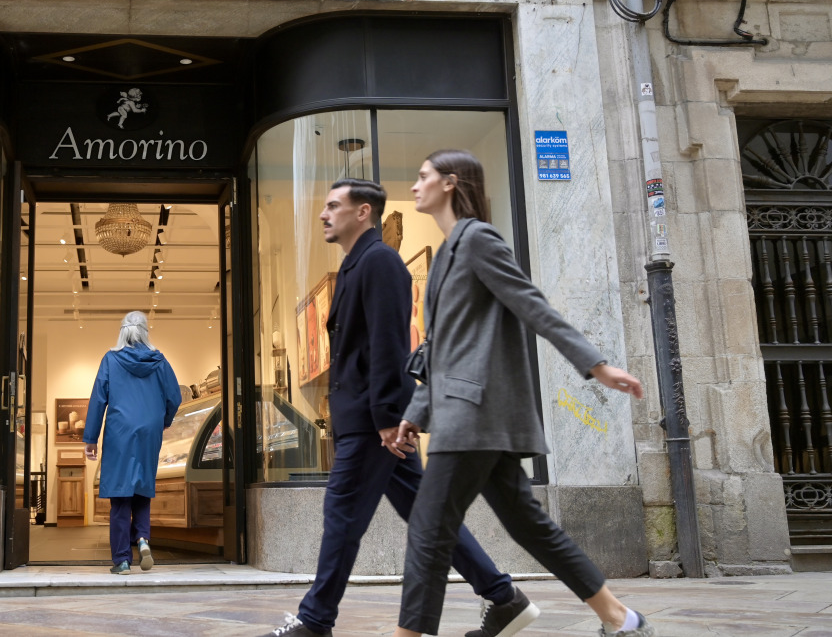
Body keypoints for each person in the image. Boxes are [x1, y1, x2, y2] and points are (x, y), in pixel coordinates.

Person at [392, 150, 653, 637]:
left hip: (473, 417)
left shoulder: (477, 240)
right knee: (530, 527)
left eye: (423, 176)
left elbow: (532, 305)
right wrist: (417, 410)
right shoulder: (449, 249)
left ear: (450, 183)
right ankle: (622, 619)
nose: (414, 185)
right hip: (471, 414)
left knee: (429, 531)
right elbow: (441, 347)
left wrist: (595, 365)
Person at [262, 178, 538, 637]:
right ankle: (503, 597)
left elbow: (389, 345)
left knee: (342, 516)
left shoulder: (381, 263)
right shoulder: (357, 264)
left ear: (363, 211)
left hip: (374, 422)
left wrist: (389, 418)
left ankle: (314, 620)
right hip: (373, 418)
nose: (324, 214)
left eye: (334, 205)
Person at [82, 311, 182, 576]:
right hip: (149, 432)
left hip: (120, 432)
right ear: (145, 331)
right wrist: (164, 420)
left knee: (120, 496)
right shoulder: (160, 361)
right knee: (142, 491)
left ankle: (122, 560)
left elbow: (98, 399)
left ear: (122, 331)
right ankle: (143, 540)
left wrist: (91, 438)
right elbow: (175, 396)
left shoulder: (111, 359)